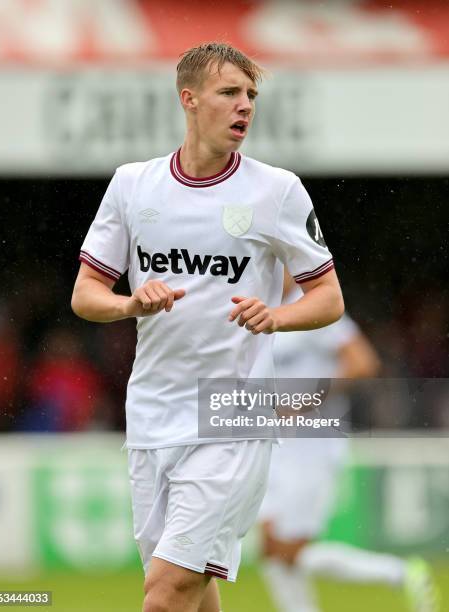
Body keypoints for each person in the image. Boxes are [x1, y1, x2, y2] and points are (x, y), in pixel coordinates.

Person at [71, 42, 344, 612]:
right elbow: (86, 296)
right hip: (151, 411)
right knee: (192, 590)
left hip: (233, 414)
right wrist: (130, 305)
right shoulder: (132, 184)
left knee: (166, 592)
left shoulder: (277, 190)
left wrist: (276, 316)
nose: (245, 106)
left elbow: (328, 299)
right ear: (189, 100)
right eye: (230, 93)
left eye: (251, 96)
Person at [259, 271, 440, 612]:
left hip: (314, 445)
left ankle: (399, 573)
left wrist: (303, 402)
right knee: (270, 547)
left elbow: (362, 362)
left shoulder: (313, 307)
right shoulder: (266, 310)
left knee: (287, 551)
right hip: (280, 445)